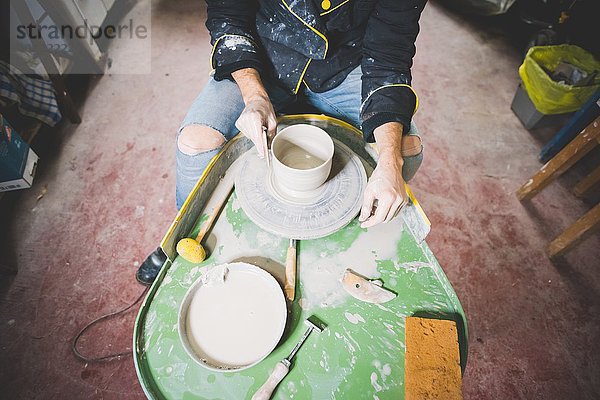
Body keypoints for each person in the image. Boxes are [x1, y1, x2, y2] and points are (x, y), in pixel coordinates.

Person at [137, 0, 427, 284]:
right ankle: (180, 239)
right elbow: (228, 15)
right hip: (262, 58)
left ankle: (356, 232)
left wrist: (390, 163)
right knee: (197, 141)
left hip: (341, 66)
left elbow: (389, 57)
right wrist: (255, 96)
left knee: (405, 150)